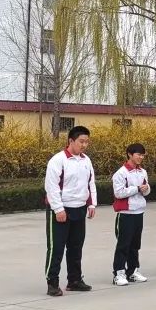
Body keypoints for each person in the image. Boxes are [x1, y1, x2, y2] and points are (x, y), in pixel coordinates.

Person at [43, 125, 97, 297]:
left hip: (79, 208)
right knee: (56, 248)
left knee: (76, 247)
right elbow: (51, 187)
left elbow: (91, 183)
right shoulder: (58, 161)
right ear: (71, 141)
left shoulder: (86, 160)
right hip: (61, 210)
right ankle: (52, 282)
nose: (84, 145)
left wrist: (91, 204)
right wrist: (58, 209)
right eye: (81, 141)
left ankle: (74, 280)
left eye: (87, 142)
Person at [111, 143, 151, 286]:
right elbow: (119, 193)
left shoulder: (142, 172)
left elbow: (146, 191)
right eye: (138, 154)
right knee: (123, 244)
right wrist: (137, 189)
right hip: (125, 213)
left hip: (139, 211)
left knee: (135, 244)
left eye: (142, 155)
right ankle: (119, 272)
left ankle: (133, 271)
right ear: (129, 154)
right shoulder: (121, 173)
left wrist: (145, 189)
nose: (140, 157)